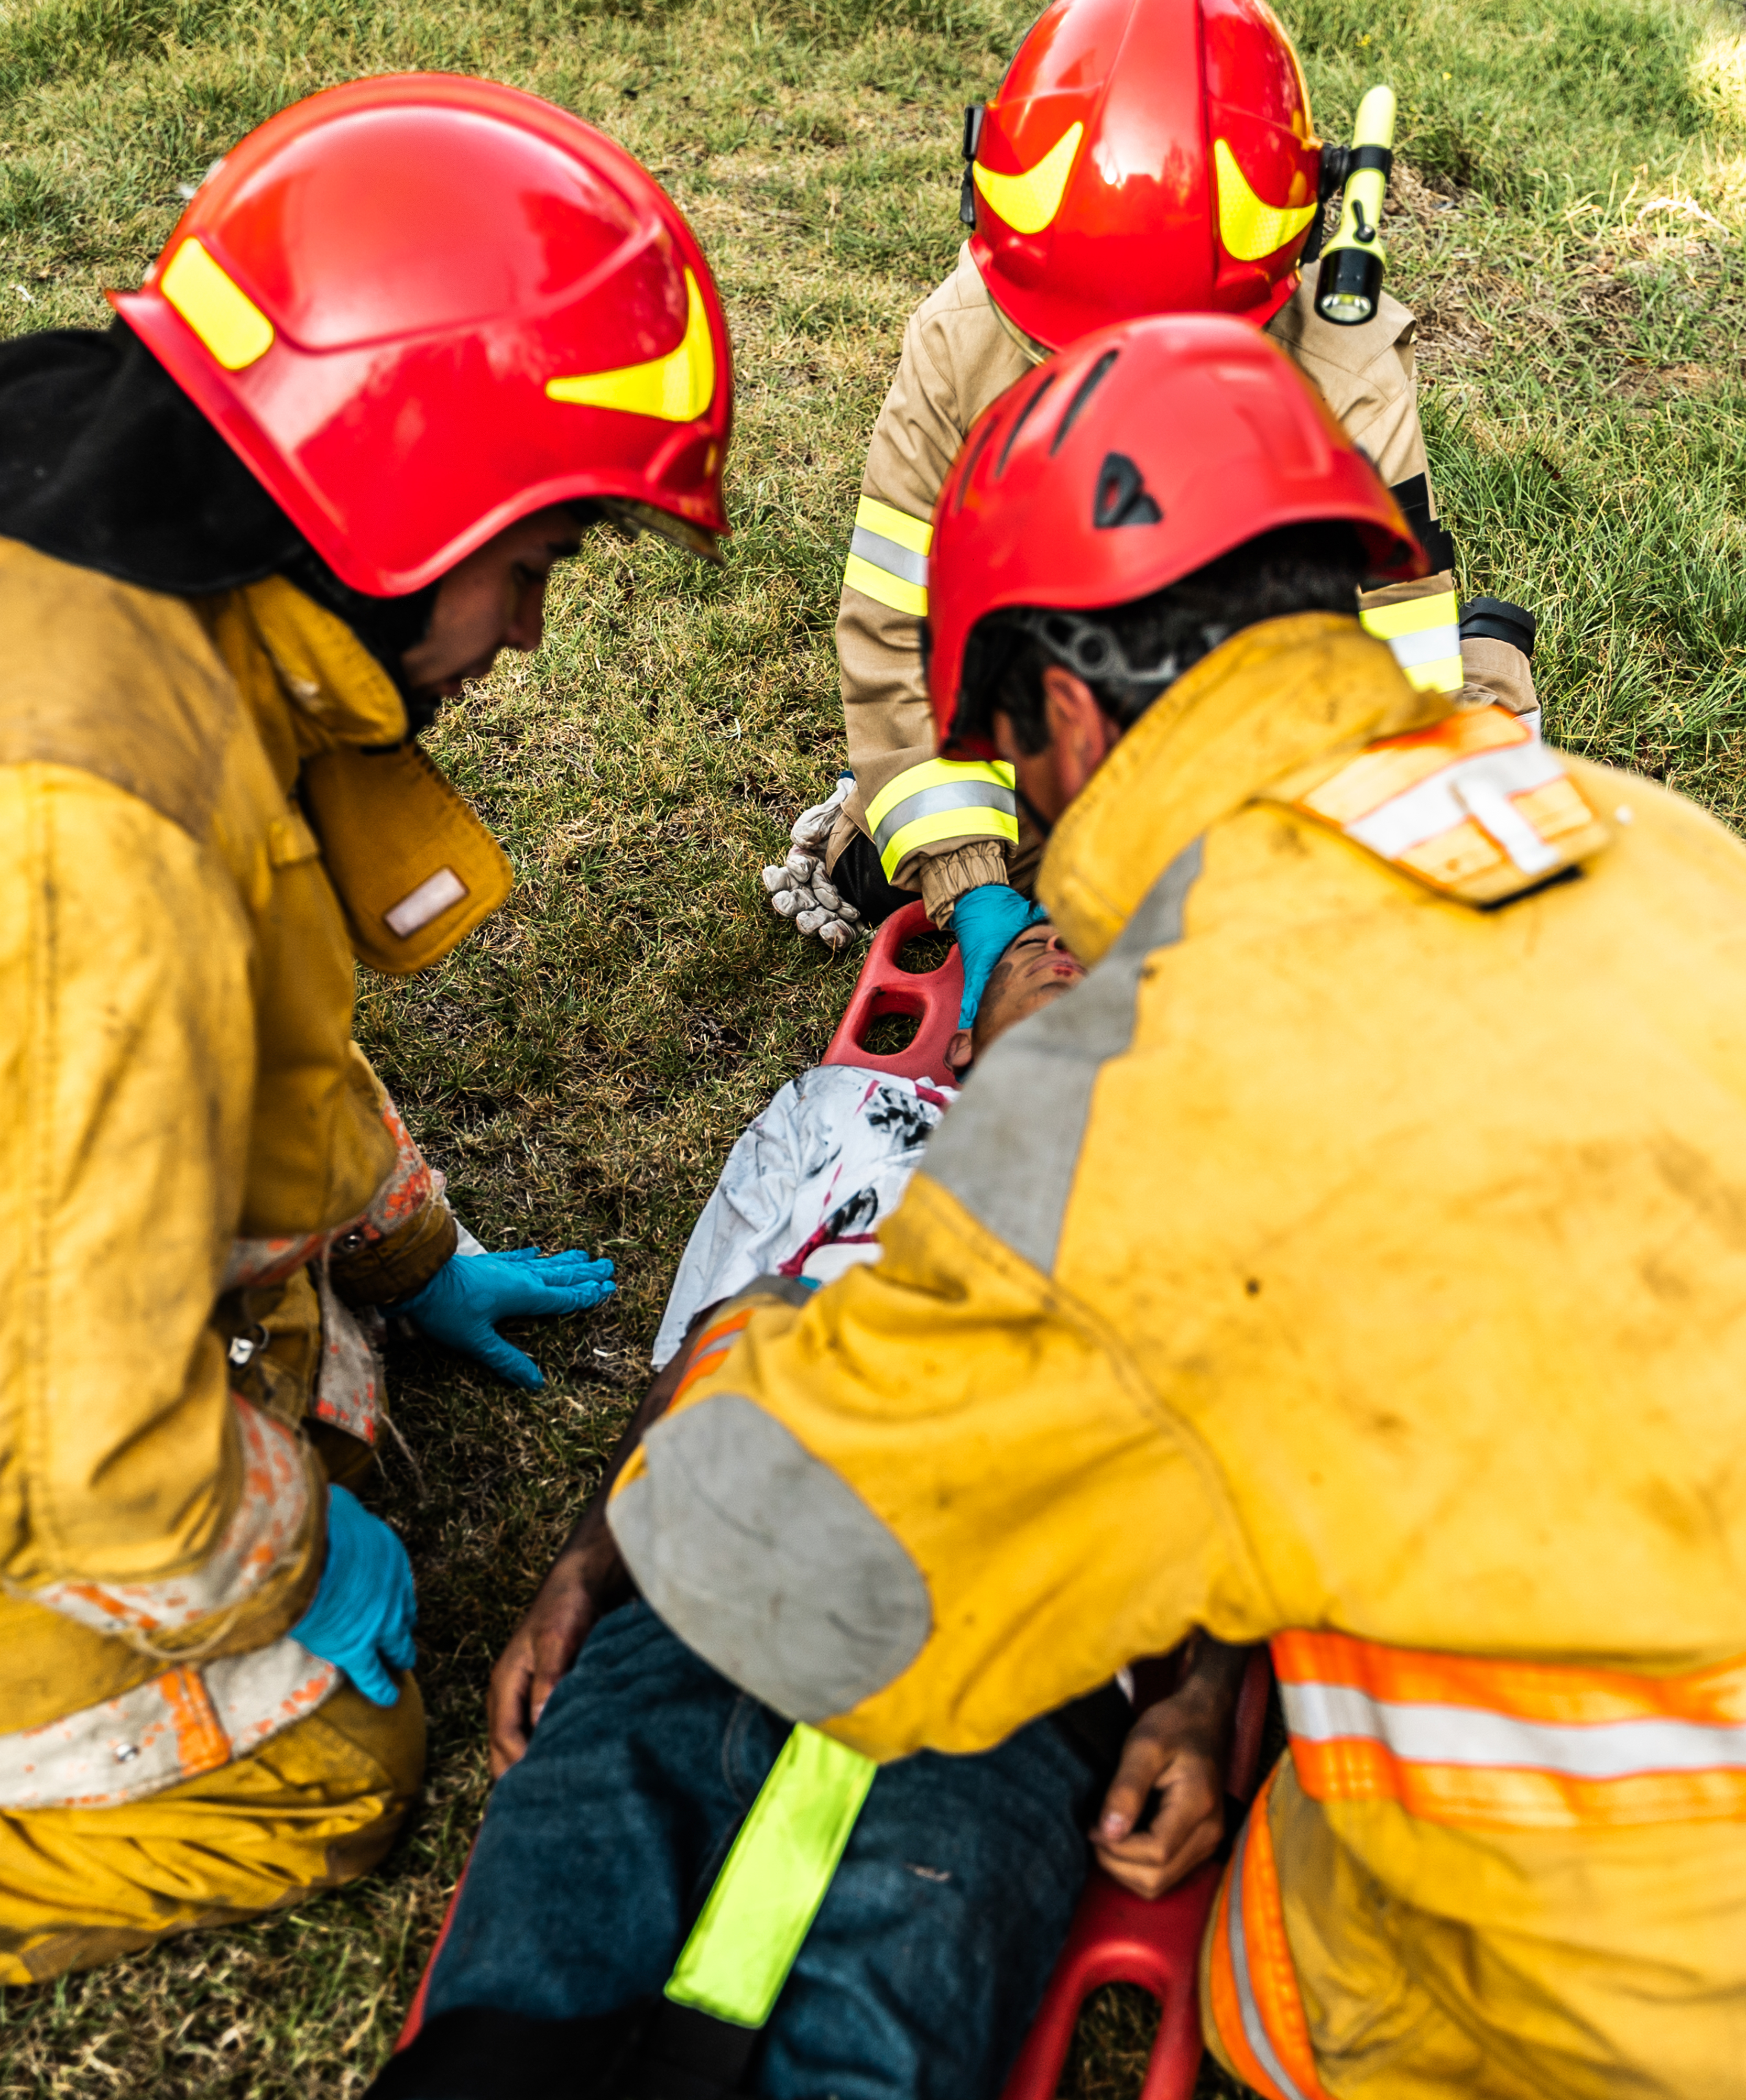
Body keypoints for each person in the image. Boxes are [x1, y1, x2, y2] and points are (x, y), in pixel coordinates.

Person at [0, 76, 733, 2021]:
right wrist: (273, 1571)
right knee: (320, 1763)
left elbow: (246, 1054)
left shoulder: (129, 606)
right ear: (405, 496)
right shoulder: (57, 830)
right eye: (538, 559)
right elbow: (18, 1404)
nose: (536, 629)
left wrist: (405, 1253)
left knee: (332, 1393)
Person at [604, 312, 1746, 2098]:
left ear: (1061, 713)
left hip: (1631, 1986)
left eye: (997, 750)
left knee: (1292, 1977)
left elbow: (795, 1586)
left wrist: (757, 1341)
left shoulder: (1145, 1084)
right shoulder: (1657, 844)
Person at [372, 920, 1257, 2100]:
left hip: (1014, 1670)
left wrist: (1205, 1701)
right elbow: (707, 1349)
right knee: (508, 2036)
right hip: (709, 1596)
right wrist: (584, 1568)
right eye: (1041, 934)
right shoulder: (846, 1120)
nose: (1067, 947)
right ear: (972, 1035)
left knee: (869, 2067)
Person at [770, 0, 1539, 1016]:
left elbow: (1394, 676)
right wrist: (974, 887)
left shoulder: (1343, 375)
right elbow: (895, 630)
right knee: (910, 853)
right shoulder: (963, 342)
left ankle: (1495, 654)